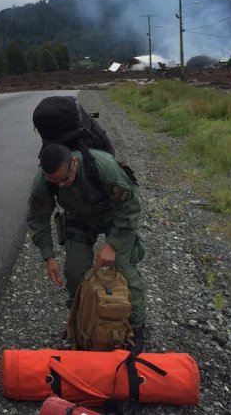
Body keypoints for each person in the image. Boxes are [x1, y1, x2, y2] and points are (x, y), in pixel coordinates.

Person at [26, 143, 147, 351]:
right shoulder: (44, 180)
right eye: (55, 181)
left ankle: (136, 326)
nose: (61, 185)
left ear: (73, 162)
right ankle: (80, 323)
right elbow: (37, 218)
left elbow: (130, 207)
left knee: (122, 266)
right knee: (74, 271)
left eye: (65, 179)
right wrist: (49, 256)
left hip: (115, 217)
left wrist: (112, 245)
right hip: (80, 218)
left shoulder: (103, 166)